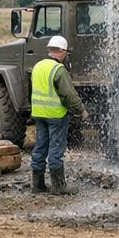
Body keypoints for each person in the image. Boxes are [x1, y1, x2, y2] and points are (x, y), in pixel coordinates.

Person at [29, 34, 85, 195]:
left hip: (39, 113)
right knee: (56, 149)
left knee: (40, 147)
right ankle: (59, 186)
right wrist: (80, 110)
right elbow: (69, 94)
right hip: (55, 115)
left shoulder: (38, 66)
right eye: (65, 53)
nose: (65, 56)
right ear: (60, 51)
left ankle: (38, 185)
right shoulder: (58, 70)